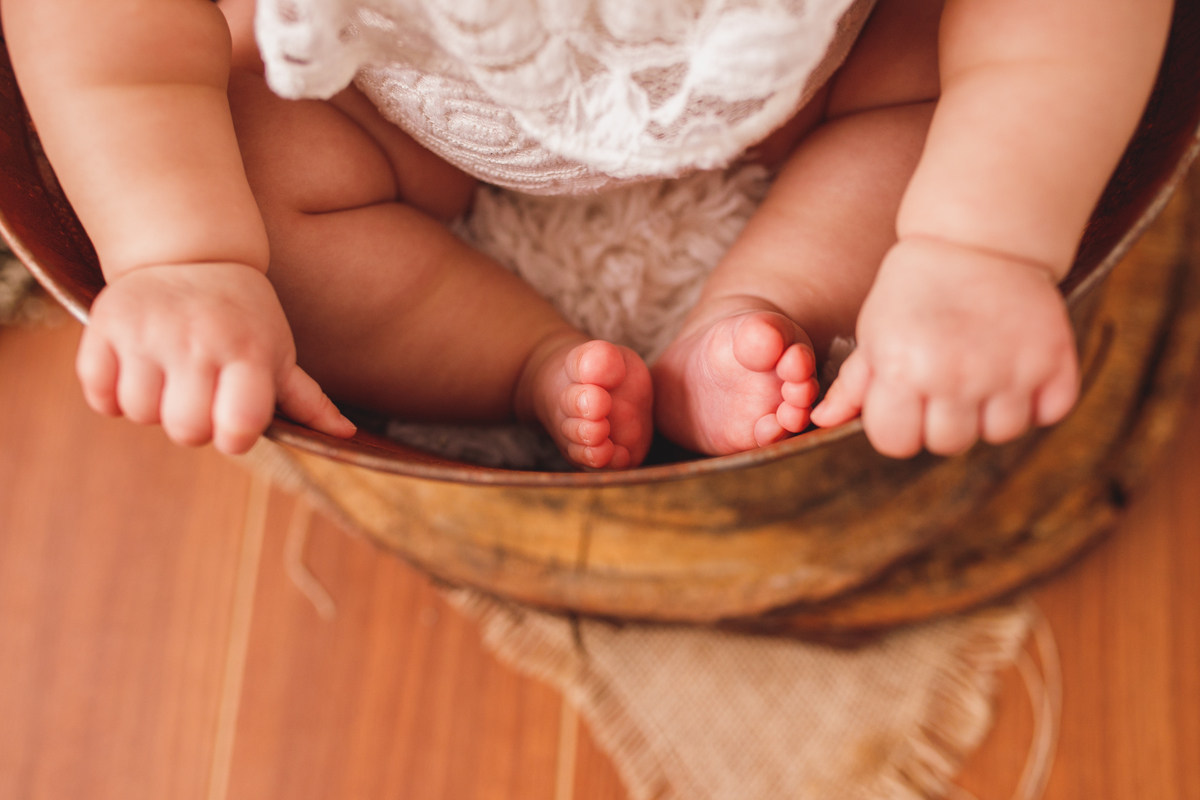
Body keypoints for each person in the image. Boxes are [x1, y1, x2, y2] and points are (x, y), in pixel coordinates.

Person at [1, 0, 1172, 468]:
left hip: (796, 71)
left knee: (962, 108)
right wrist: (182, 253)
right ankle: (524, 362)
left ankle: (757, 306)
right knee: (262, 214)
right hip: (409, 103)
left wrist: (979, 244)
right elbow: (110, 31)